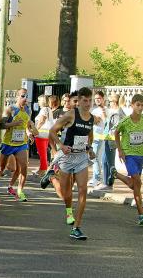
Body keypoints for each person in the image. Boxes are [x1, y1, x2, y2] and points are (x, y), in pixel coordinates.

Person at [49, 87, 95, 240]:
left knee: (83, 190)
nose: (87, 104)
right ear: (79, 101)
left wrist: (90, 149)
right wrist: (60, 147)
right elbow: (52, 131)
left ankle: (77, 228)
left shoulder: (91, 118)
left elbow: (89, 137)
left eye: (90, 101)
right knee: (65, 193)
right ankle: (52, 179)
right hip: (66, 158)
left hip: (81, 157)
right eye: (84, 100)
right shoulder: (70, 115)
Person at [0, 88, 37, 202]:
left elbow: (26, 125)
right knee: (2, 168)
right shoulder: (10, 109)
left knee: (23, 167)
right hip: (8, 143)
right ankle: (5, 182)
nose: (25, 98)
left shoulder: (28, 110)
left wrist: (29, 133)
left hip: (21, 143)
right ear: (17, 97)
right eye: (22, 96)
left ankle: (19, 191)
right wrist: (13, 123)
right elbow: (1, 125)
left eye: (26, 96)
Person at [113, 94, 143, 225]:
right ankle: (142, 213)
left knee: (134, 185)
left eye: (142, 105)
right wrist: (120, 150)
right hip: (129, 155)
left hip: (140, 155)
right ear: (132, 105)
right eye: (138, 105)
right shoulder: (125, 121)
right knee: (137, 180)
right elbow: (116, 133)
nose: (140, 108)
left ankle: (116, 174)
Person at [95, 93, 126, 190]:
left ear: (115, 102)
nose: (109, 103)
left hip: (111, 140)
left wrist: (110, 134)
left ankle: (108, 184)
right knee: (105, 161)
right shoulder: (116, 111)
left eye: (110, 101)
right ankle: (107, 182)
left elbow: (115, 127)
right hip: (108, 138)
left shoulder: (117, 113)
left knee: (109, 162)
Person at [89, 91, 106, 187]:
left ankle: (97, 178)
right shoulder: (94, 110)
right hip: (94, 136)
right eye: (95, 99)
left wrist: (99, 118)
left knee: (95, 157)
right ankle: (96, 177)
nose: (97, 100)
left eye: (99, 98)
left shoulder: (105, 110)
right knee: (95, 157)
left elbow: (104, 121)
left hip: (100, 137)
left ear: (103, 98)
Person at [34, 95, 54, 177]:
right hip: (46, 134)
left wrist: (35, 130)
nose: (38, 102)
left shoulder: (43, 109)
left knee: (42, 153)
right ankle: (42, 168)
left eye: (39, 100)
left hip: (41, 134)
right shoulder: (48, 109)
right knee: (44, 152)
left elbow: (42, 120)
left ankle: (43, 170)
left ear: (43, 101)